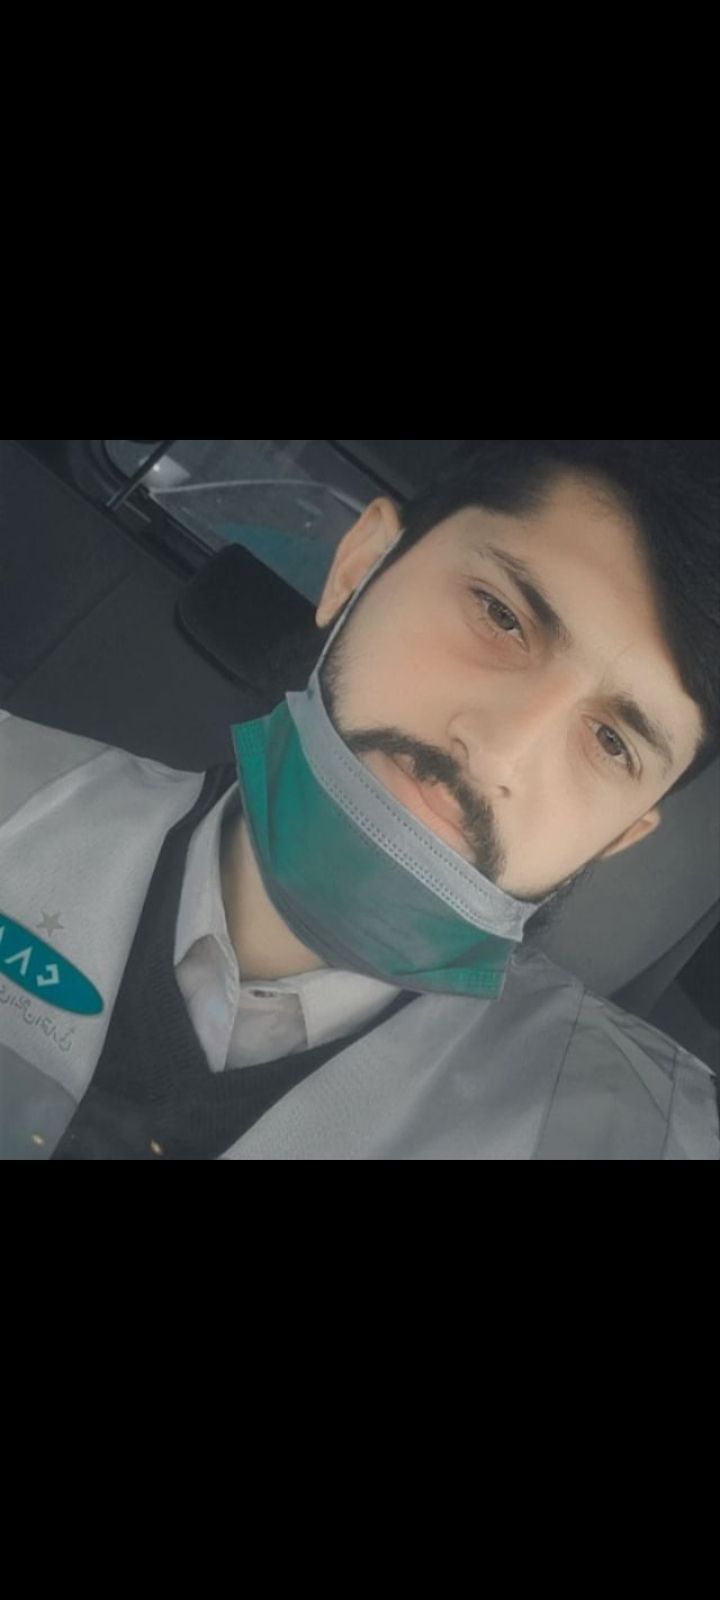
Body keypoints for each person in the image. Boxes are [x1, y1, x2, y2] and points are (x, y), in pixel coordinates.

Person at [2, 440, 718, 1158]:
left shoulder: (639, 1132)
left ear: (620, 836)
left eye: (613, 743)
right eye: (501, 615)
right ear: (358, 567)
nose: (498, 753)